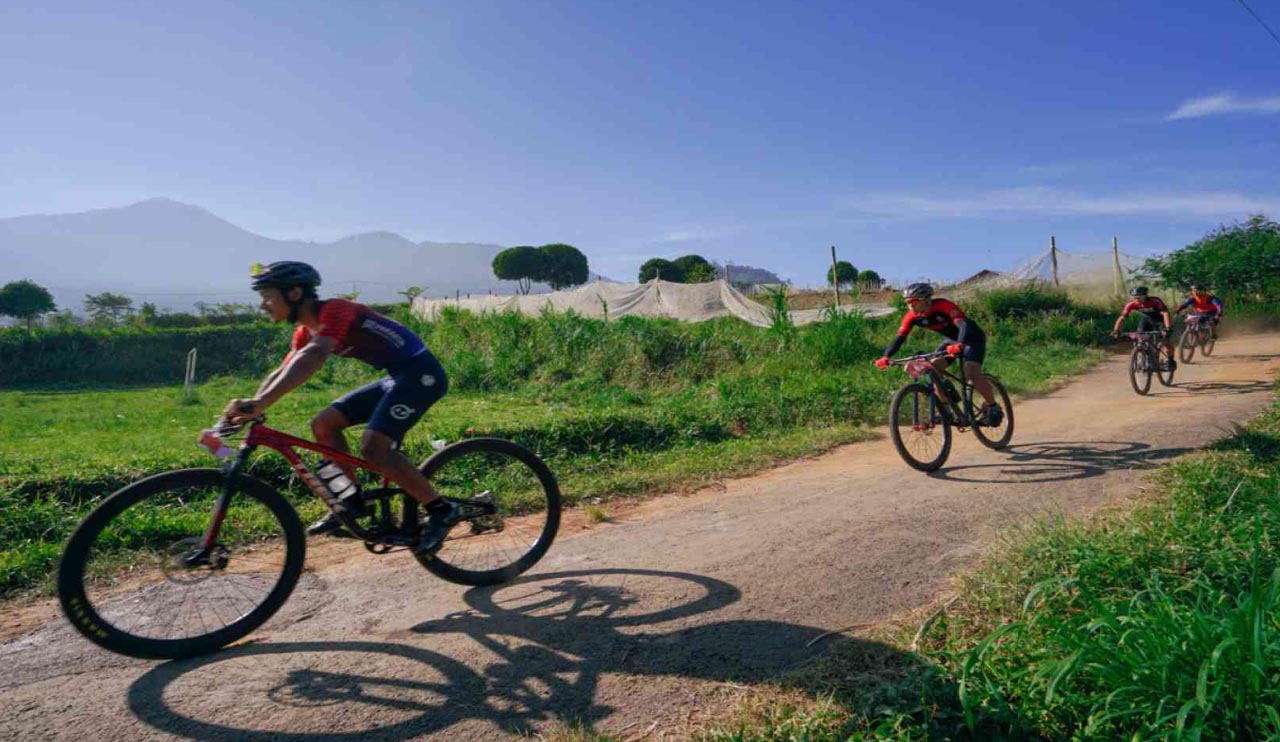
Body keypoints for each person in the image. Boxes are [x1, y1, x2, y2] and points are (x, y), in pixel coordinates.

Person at [223, 261, 458, 555]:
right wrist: (251, 404)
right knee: (323, 424)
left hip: (422, 375)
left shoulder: (337, 310)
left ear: (294, 293)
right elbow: (283, 371)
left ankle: (441, 509)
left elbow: (316, 355)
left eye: (268, 296)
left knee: (374, 447)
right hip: (395, 377)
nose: (263, 305)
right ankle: (351, 503)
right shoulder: (304, 332)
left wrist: (262, 403)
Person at [873, 282, 1001, 426]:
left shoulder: (943, 306)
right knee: (933, 367)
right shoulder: (911, 316)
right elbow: (900, 337)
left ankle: (993, 407)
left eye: (914, 301)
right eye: (907, 302)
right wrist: (886, 357)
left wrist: (960, 343)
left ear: (926, 300)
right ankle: (946, 409)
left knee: (970, 371)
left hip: (971, 338)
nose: (911, 306)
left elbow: (962, 324)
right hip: (951, 341)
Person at [1110, 286, 1176, 370]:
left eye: (1138, 297)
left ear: (1145, 295)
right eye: (1134, 297)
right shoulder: (1131, 304)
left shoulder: (1155, 301)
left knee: (1166, 340)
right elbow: (1122, 318)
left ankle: (1170, 360)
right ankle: (1146, 356)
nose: (1136, 299)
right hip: (1146, 320)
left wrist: (1167, 328)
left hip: (1160, 320)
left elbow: (1165, 314)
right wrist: (1116, 330)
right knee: (1140, 337)